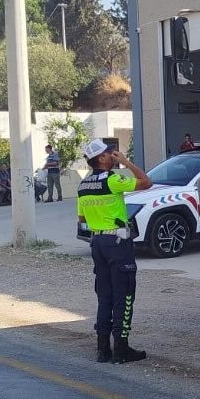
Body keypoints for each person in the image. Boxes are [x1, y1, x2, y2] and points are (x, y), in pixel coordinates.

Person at [77, 139, 153, 364]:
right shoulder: (112, 180)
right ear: (101, 158)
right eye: (110, 153)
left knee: (105, 296)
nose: (114, 155)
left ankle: (103, 350)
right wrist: (127, 162)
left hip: (97, 243)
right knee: (124, 294)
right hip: (117, 244)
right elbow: (146, 182)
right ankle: (121, 348)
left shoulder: (83, 185)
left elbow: (81, 218)